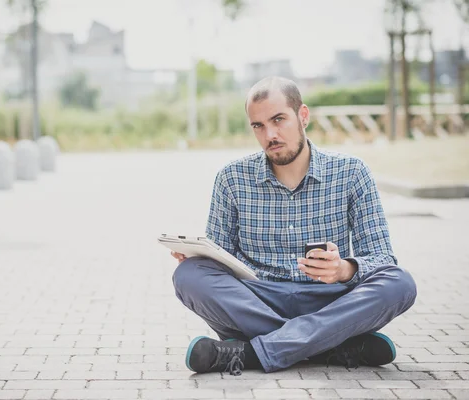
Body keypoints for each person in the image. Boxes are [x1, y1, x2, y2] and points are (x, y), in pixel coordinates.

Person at [170, 76, 417, 376]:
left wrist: (344, 270)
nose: (269, 134)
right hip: (258, 301)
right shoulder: (231, 179)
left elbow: (382, 259)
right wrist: (201, 258)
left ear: (303, 116)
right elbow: (221, 259)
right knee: (188, 275)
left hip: (329, 301)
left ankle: (250, 354)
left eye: (278, 120)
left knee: (399, 282)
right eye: (258, 126)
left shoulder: (352, 172)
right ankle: (330, 345)